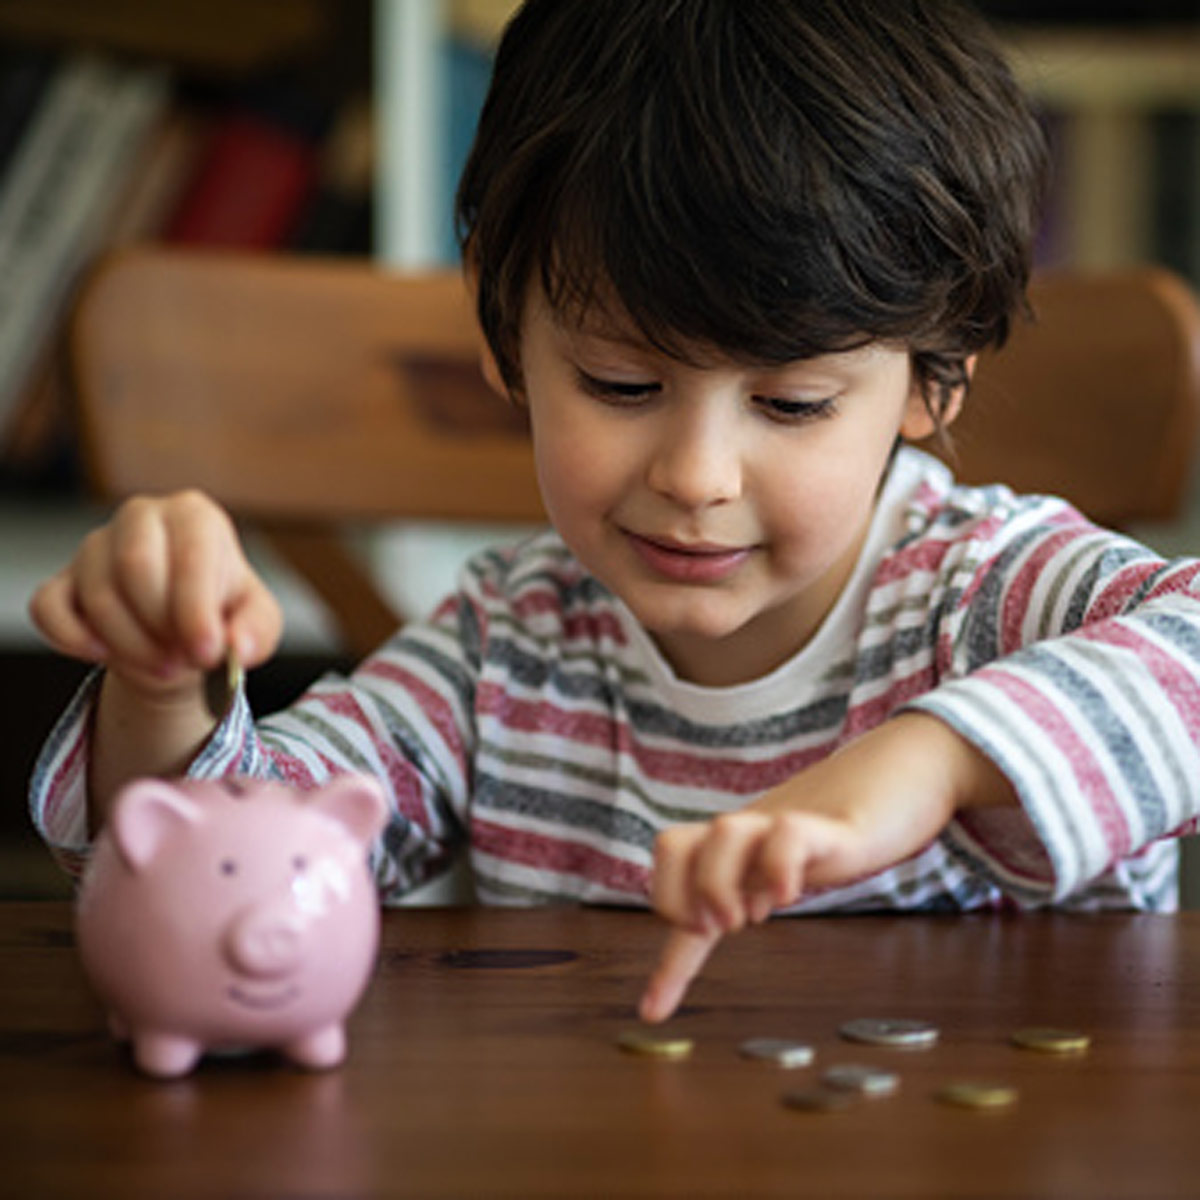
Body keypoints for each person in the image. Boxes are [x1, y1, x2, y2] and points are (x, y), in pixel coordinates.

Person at [28, 0, 1200, 1026]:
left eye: (791, 404)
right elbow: (216, 877)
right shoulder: (506, 651)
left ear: (933, 380)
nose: (697, 476)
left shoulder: (982, 594)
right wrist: (162, 682)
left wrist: (929, 766)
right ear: (508, 330)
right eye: (621, 386)